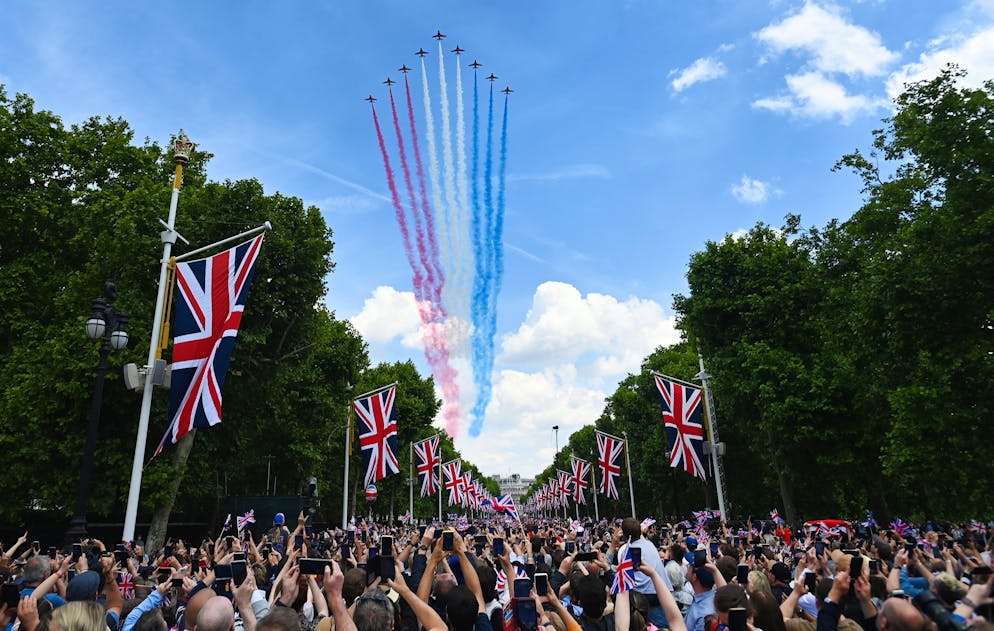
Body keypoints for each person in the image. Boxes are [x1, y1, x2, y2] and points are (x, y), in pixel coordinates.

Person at [620, 518, 673, 629]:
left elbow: (625, 578)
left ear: (624, 535)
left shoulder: (627, 551)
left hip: (642, 596)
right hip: (660, 591)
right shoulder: (650, 545)